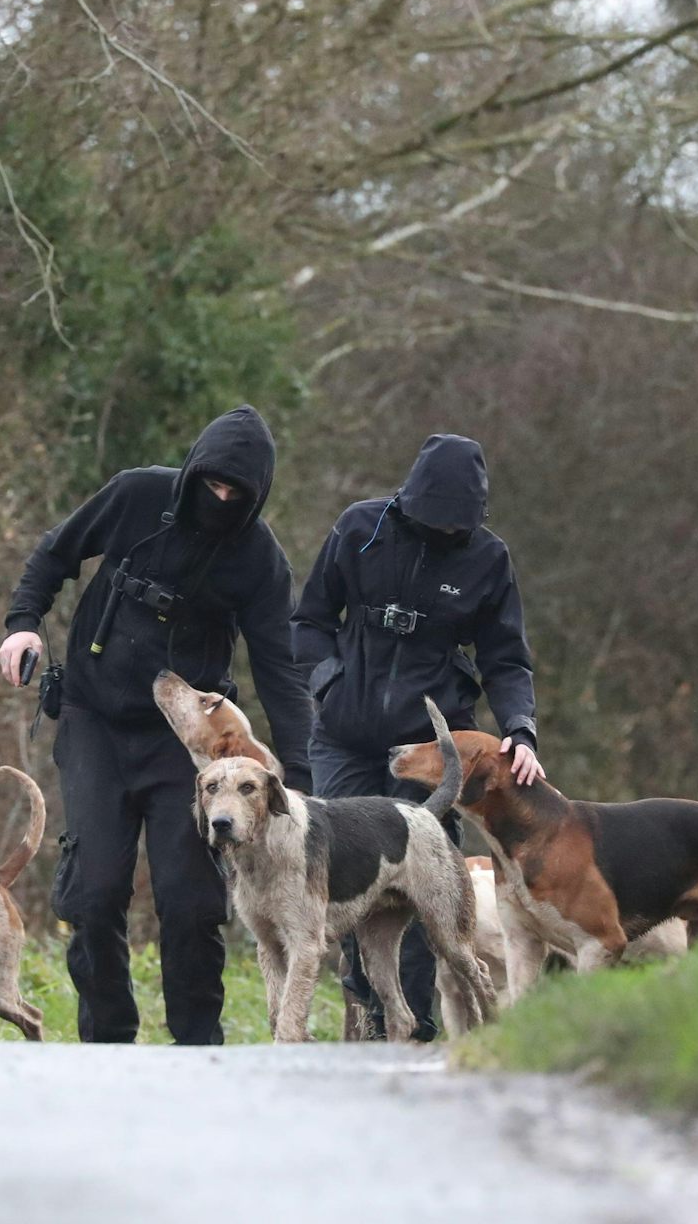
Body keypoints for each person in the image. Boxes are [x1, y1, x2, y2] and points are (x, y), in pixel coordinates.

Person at [0, 405, 313, 1045]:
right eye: (212, 485)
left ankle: (198, 1046)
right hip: (95, 720)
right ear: (194, 471)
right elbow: (55, 553)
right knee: (93, 891)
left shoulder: (259, 559)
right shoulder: (138, 495)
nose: (220, 499)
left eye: (236, 495)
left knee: (191, 900)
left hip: (187, 750)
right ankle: (108, 1042)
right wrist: (24, 622)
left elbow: (280, 672)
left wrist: (301, 777)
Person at [291, 433, 542, 1041]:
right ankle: (373, 1019)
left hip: (430, 750)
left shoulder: (488, 558)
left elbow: (506, 659)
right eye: (430, 522)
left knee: (424, 884)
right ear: (410, 499)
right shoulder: (360, 528)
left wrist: (520, 730)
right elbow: (310, 621)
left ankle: (418, 1026)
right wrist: (327, 683)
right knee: (346, 877)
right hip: (345, 736)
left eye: (452, 527)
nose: (439, 534)